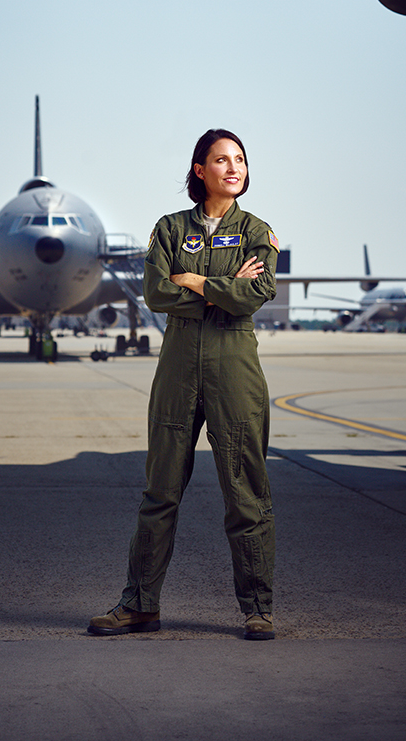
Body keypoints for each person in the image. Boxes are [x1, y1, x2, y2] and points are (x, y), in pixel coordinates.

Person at [88, 129, 279, 641]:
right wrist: (223, 289)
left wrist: (193, 281)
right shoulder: (170, 229)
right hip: (177, 367)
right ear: (200, 169)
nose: (233, 167)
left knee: (246, 493)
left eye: (239, 159)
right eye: (221, 159)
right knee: (160, 492)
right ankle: (138, 605)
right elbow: (156, 291)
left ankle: (258, 608)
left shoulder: (258, 231)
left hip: (234, 368)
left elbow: (256, 293)